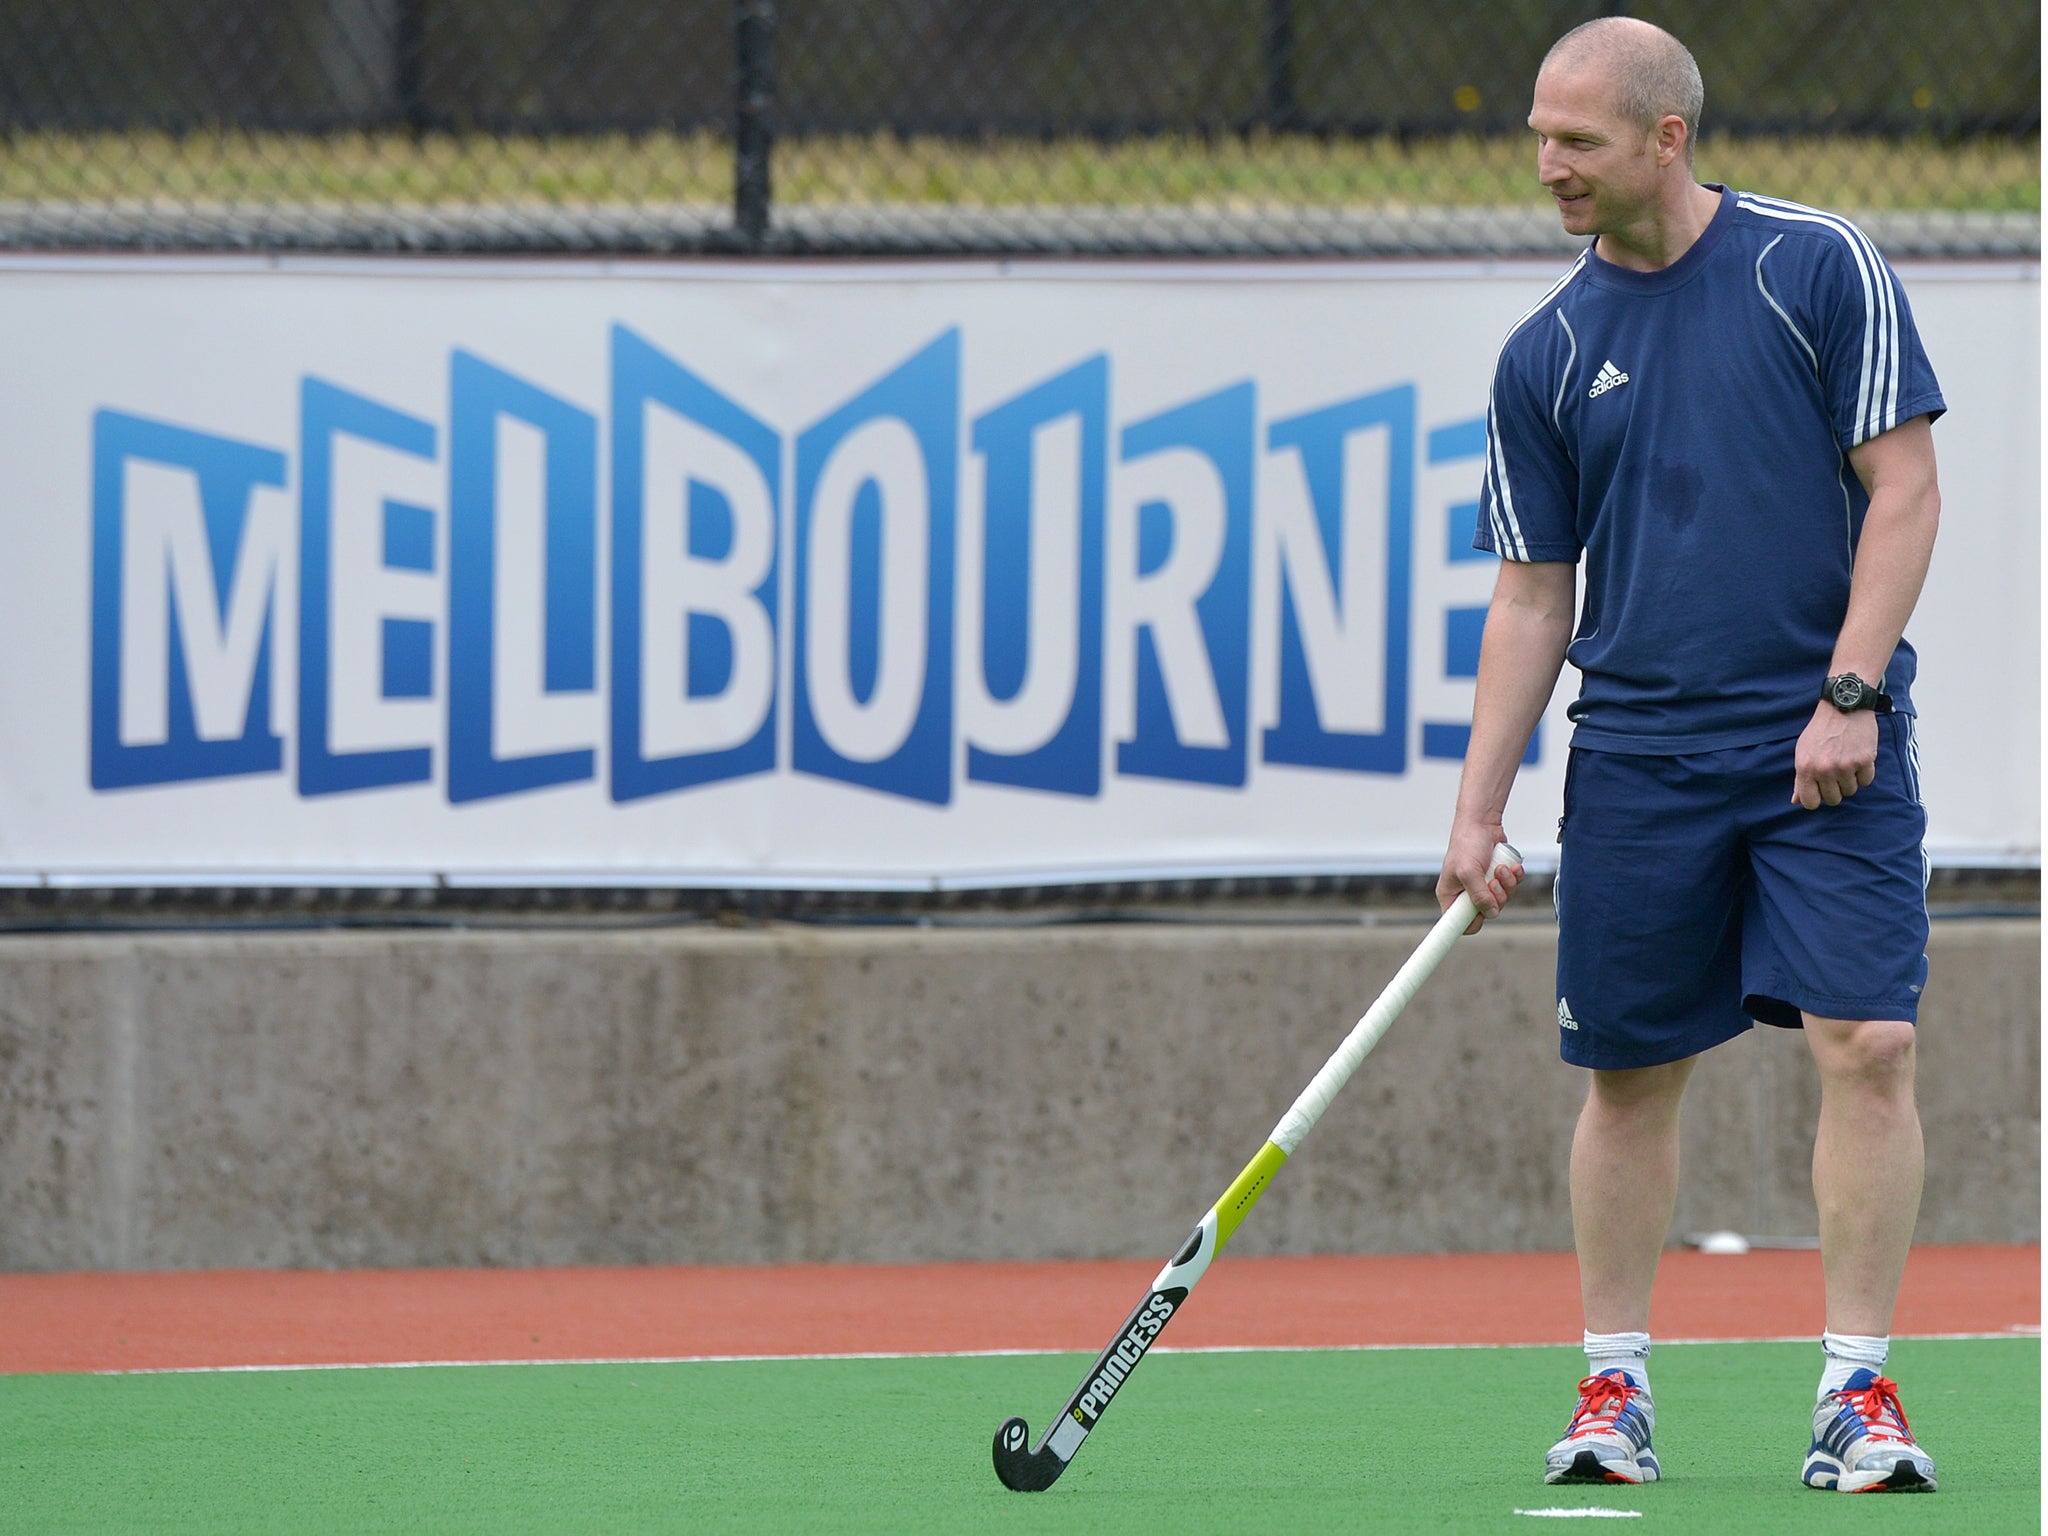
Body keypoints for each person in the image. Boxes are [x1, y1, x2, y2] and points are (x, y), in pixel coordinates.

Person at [1436, 17, 1945, 1495]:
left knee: (1872, 1042)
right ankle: (1614, 1388)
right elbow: (1535, 595)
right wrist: (1479, 813)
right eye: (1539, 136)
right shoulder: (1544, 353)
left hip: (1823, 752)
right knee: (1632, 1075)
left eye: (1578, 141)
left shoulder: (1816, 269)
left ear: (1667, 137)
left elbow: (1904, 491)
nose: (1549, 167)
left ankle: (1857, 1393)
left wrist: (1848, 693)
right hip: (1642, 758)